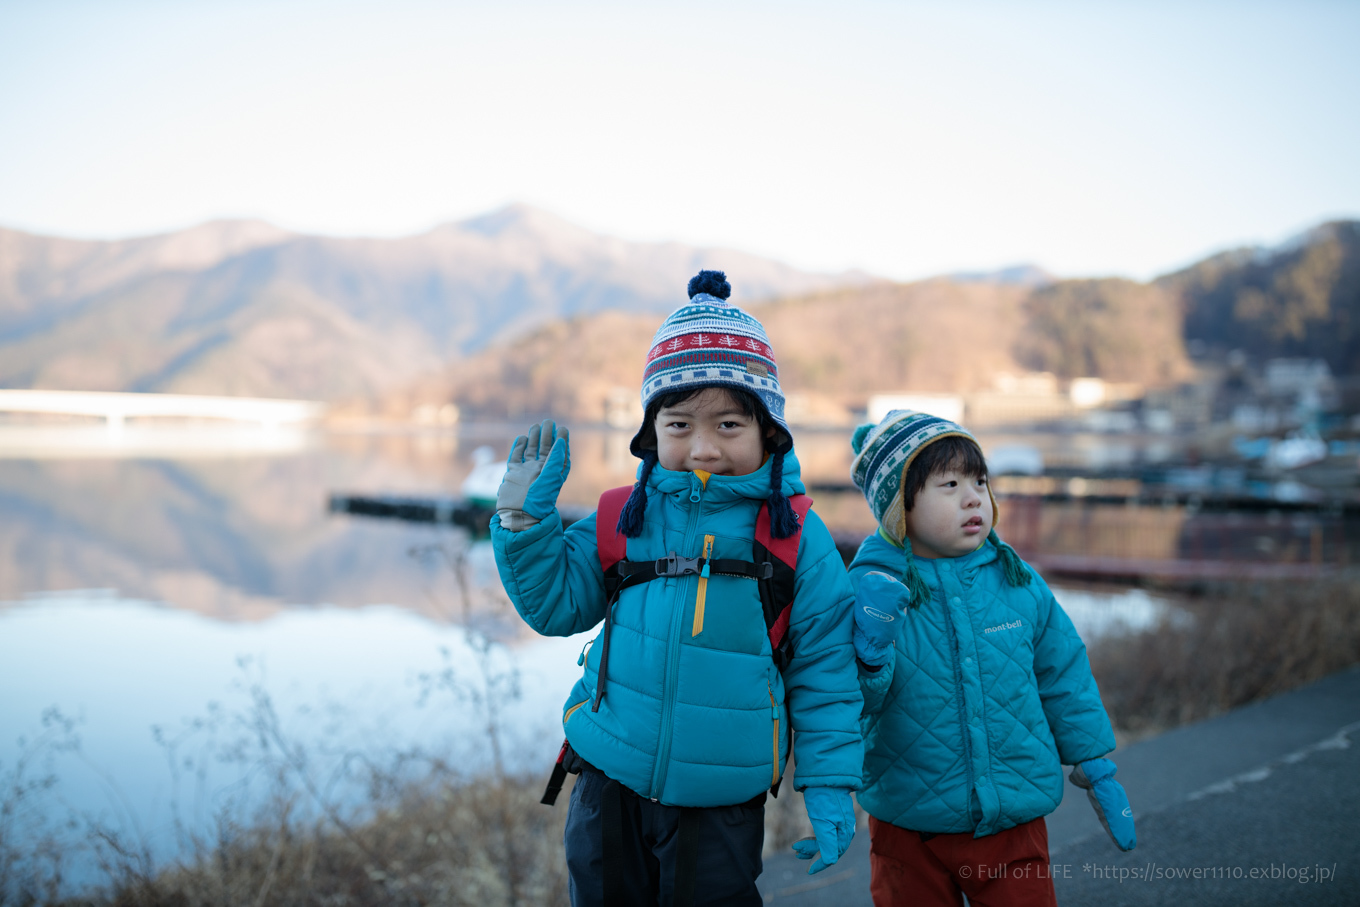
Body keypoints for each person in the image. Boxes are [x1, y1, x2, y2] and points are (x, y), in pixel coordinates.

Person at [491, 271, 863, 907]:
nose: (703, 448)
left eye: (728, 425)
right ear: (651, 431)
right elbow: (556, 608)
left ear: (768, 430)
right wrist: (525, 526)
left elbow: (826, 669)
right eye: (680, 424)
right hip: (609, 780)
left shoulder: (795, 534)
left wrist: (828, 784)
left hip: (719, 800)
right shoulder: (620, 517)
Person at [845, 410, 1135, 907]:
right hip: (906, 823)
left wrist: (1095, 762)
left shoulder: (1017, 581)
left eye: (979, 480)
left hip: (1010, 817)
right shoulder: (873, 592)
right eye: (950, 484)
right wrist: (869, 654)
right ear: (899, 507)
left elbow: (1063, 673)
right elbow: (851, 703)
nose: (973, 496)